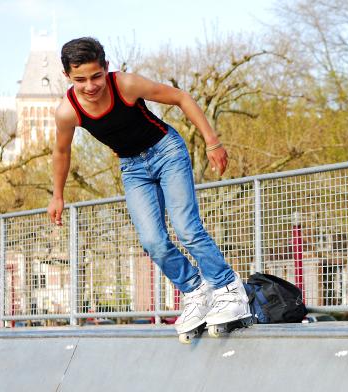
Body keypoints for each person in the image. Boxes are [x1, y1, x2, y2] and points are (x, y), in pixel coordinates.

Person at [47, 37, 250, 337]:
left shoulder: (125, 85)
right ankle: (196, 291)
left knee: (186, 227)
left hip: (167, 151)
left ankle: (229, 289)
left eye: (96, 76)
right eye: (80, 80)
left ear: (106, 68)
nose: (90, 86)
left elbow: (181, 97)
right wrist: (58, 195)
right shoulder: (68, 112)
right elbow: (62, 152)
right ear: (67, 76)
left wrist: (212, 141)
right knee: (152, 241)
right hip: (133, 168)